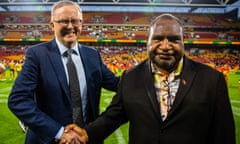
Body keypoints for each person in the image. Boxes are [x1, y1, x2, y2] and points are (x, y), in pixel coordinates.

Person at [66, 13, 236, 144]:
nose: (165, 46)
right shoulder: (130, 77)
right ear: (147, 42)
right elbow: (113, 116)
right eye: (158, 39)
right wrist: (86, 133)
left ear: (184, 42)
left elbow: (224, 135)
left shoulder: (212, 80)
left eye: (174, 39)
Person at [8, 0, 119, 144]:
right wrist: (59, 132)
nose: (70, 26)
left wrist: (148, 72)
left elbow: (118, 84)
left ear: (81, 23)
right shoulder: (37, 54)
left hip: (86, 138)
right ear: (52, 25)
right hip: (49, 140)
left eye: (75, 21)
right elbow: (18, 100)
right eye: (64, 21)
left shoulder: (93, 55)